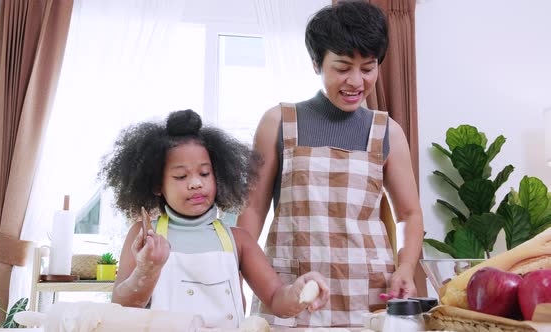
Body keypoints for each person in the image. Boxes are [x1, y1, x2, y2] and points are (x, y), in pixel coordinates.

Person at [236, 1, 424, 327]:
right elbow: (252, 210)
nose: (356, 81)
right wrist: (237, 275)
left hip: (368, 291)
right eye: (342, 68)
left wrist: (405, 267)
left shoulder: (387, 131)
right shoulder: (278, 122)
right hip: (291, 289)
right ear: (316, 63)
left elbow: (409, 213)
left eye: (368, 68)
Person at [99, 109, 329, 329]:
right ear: (157, 184)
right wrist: (146, 269)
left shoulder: (238, 240)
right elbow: (121, 307)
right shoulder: (146, 235)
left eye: (204, 173)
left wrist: (299, 293)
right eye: (181, 176)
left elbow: (276, 298)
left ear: (218, 175)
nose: (196, 183)